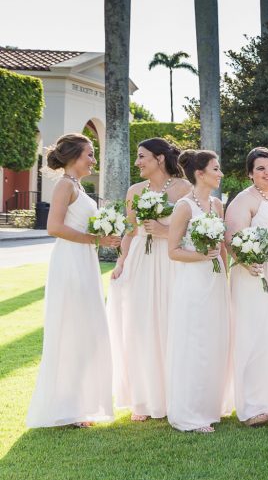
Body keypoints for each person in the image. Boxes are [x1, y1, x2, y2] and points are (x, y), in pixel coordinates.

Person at [26, 134, 120, 428]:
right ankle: (65, 408)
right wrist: (96, 238)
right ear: (72, 157)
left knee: (84, 330)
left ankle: (77, 406)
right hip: (70, 262)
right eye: (89, 154)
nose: (93, 160)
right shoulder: (65, 185)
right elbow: (54, 227)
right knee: (72, 327)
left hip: (84, 260)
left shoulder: (78, 186)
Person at [106, 138, 191, 422]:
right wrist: (122, 261)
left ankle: (172, 395)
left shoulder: (183, 189)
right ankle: (143, 398)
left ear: (159, 159)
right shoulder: (135, 190)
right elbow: (130, 230)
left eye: (142, 157)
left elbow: (190, 230)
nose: (138, 162)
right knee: (140, 325)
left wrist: (164, 229)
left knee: (170, 323)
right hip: (141, 259)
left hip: (171, 261)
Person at [225, 147, 268, 427]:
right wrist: (246, 261)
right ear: (250, 174)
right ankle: (253, 405)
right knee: (256, 335)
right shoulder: (244, 200)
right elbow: (232, 239)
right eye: (260, 169)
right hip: (256, 274)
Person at [165, 150, 232, 433]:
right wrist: (203, 256)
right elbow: (173, 251)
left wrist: (226, 275)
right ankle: (190, 413)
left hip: (215, 281)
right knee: (195, 343)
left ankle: (210, 406)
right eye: (216, 169)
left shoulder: (217, 205)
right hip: (192, 281)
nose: (220, 174)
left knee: (214, 340)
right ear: (200, 174)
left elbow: (223, 247)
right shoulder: (183, 207)